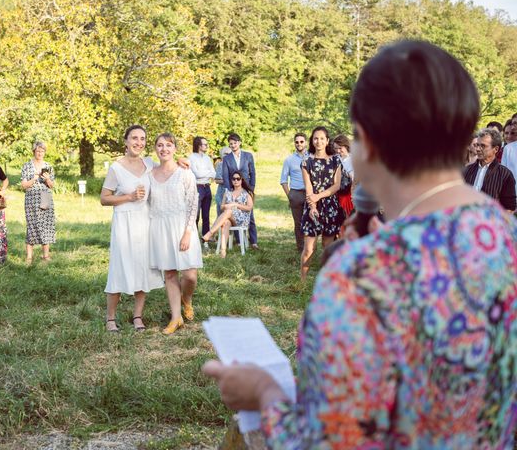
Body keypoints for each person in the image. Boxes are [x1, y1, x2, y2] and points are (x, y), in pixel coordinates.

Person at [203, 40, 517, 449]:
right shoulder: (505, 234)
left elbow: (325, 440)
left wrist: (264, 394)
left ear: (367, 142)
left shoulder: (362, 271)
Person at [100, 125, 164, 333]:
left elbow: (166, 167)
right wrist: (129, 197)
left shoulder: (148, 163)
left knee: (142, 267)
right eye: (134, 138)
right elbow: (104, 199)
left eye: (143, 138)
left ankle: (138, 316)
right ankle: (110, 318)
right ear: (126, 141)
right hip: (124, 223)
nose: (139, 142)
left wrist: (182, 161)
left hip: (144, 222)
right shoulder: (116, 168)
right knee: (120, 267)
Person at [149, 132, 203, 335]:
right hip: (160, 228)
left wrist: (188, 232)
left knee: (190, 275)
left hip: (182, 227)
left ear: (175, 149)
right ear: (155, 148)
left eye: (168, 145)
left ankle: (186, 298)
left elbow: (193, 203)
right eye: (160, 145)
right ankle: (176, 317)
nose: (164, 149)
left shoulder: (185, 172)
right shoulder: (150, 172)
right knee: (170, 274)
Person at [299, 127, 344, 280]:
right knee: (309, 249)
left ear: (327, 141)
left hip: (331, 207)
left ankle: (328, 281)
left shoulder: (336, 160)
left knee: (327, 246)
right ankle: (302, 281)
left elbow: (336, 185)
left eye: (322, 138)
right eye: (315, 138)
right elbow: (308, 187)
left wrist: (318, 197)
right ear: (312, 141)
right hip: (312, 206)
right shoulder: (306, 162)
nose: (318, 141)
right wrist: (312, 206)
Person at [202, 171, 253, 257]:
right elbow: (221, 207)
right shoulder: (227, 193)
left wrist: (235, 204)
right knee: (226, 222)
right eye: (233, 179)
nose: (236, 180)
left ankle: (210, 234)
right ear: (231, 181)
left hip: (241, 219)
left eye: (238, 179)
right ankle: (223, 251)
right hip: (229, 217)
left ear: (241, 180)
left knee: (229, 211)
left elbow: (249, 208)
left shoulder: (246, 193)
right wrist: (226, 206)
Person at [463, 128, 516, 211]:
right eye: (477, 145)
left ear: (496, 149)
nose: (478, 149)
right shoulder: (466, 170)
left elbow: (509, 208)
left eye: (483, 146)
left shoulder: (505, 174)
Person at [21, 141, 56, 263]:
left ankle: (45, 255)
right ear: (34, 152)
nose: (40, 153)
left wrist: (47, 179)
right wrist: (34, 179)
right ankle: (29, 256)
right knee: (32, 224)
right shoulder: (27, 166)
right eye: (38, 151)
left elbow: (51, 186)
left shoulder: (48, 166)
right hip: (31, 198)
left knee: (46, 224)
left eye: (42, 151)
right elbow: (24, 186)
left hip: (45, 196)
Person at [222, 133, 258, 249]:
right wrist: (230, 193)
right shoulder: (227, 159)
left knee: (250, 214)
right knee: (235, 213)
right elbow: (225, 176)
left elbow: (252, 173)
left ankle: (253, 241)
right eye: (230, 144)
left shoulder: (248, 156)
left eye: (235, 143)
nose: (233, 145)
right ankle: (239, 240)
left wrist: (251, 189)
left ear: (239, 142)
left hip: (246, 189)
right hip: (233, 190)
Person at [280, 133, 308, 253]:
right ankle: (300, 248)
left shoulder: (312, 156)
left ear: (305, 142)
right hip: (296, 193)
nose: (299, 144)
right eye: (297, 142)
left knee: (311, 221)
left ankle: (310, 247)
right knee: (298, 222)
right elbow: (283, 180)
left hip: (310, 193)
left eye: (301, 141)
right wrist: (290, 195)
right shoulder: (289, 160)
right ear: (294, 143)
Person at [188, 136, 216, 240]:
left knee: (206, 215)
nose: (207, 146)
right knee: (195, 215)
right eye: (205, 144)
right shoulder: (191, 158)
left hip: (207, 188)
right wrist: (208, 173)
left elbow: (214, 173)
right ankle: (193, 238)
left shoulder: (207, 158)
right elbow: (197, 174)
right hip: (197, 187)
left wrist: (207, 174)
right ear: (199, 145)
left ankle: (205, 238)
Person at [332, 133, 355, 217]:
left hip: (350, 195)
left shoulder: (353, 159)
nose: (338, 151)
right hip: (337, 193)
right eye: (336, 148)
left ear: (346, 146)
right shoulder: (334, 159)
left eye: (340, 148)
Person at [214, 146, 232, 215]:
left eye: (229, 154)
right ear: (221, 155)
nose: (227, 155)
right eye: (225, 154)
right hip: (222, 192)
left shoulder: (234, 165)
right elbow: (217, 181)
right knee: (221, 214)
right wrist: (228, 180)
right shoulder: (220, 165)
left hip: (232, 192)